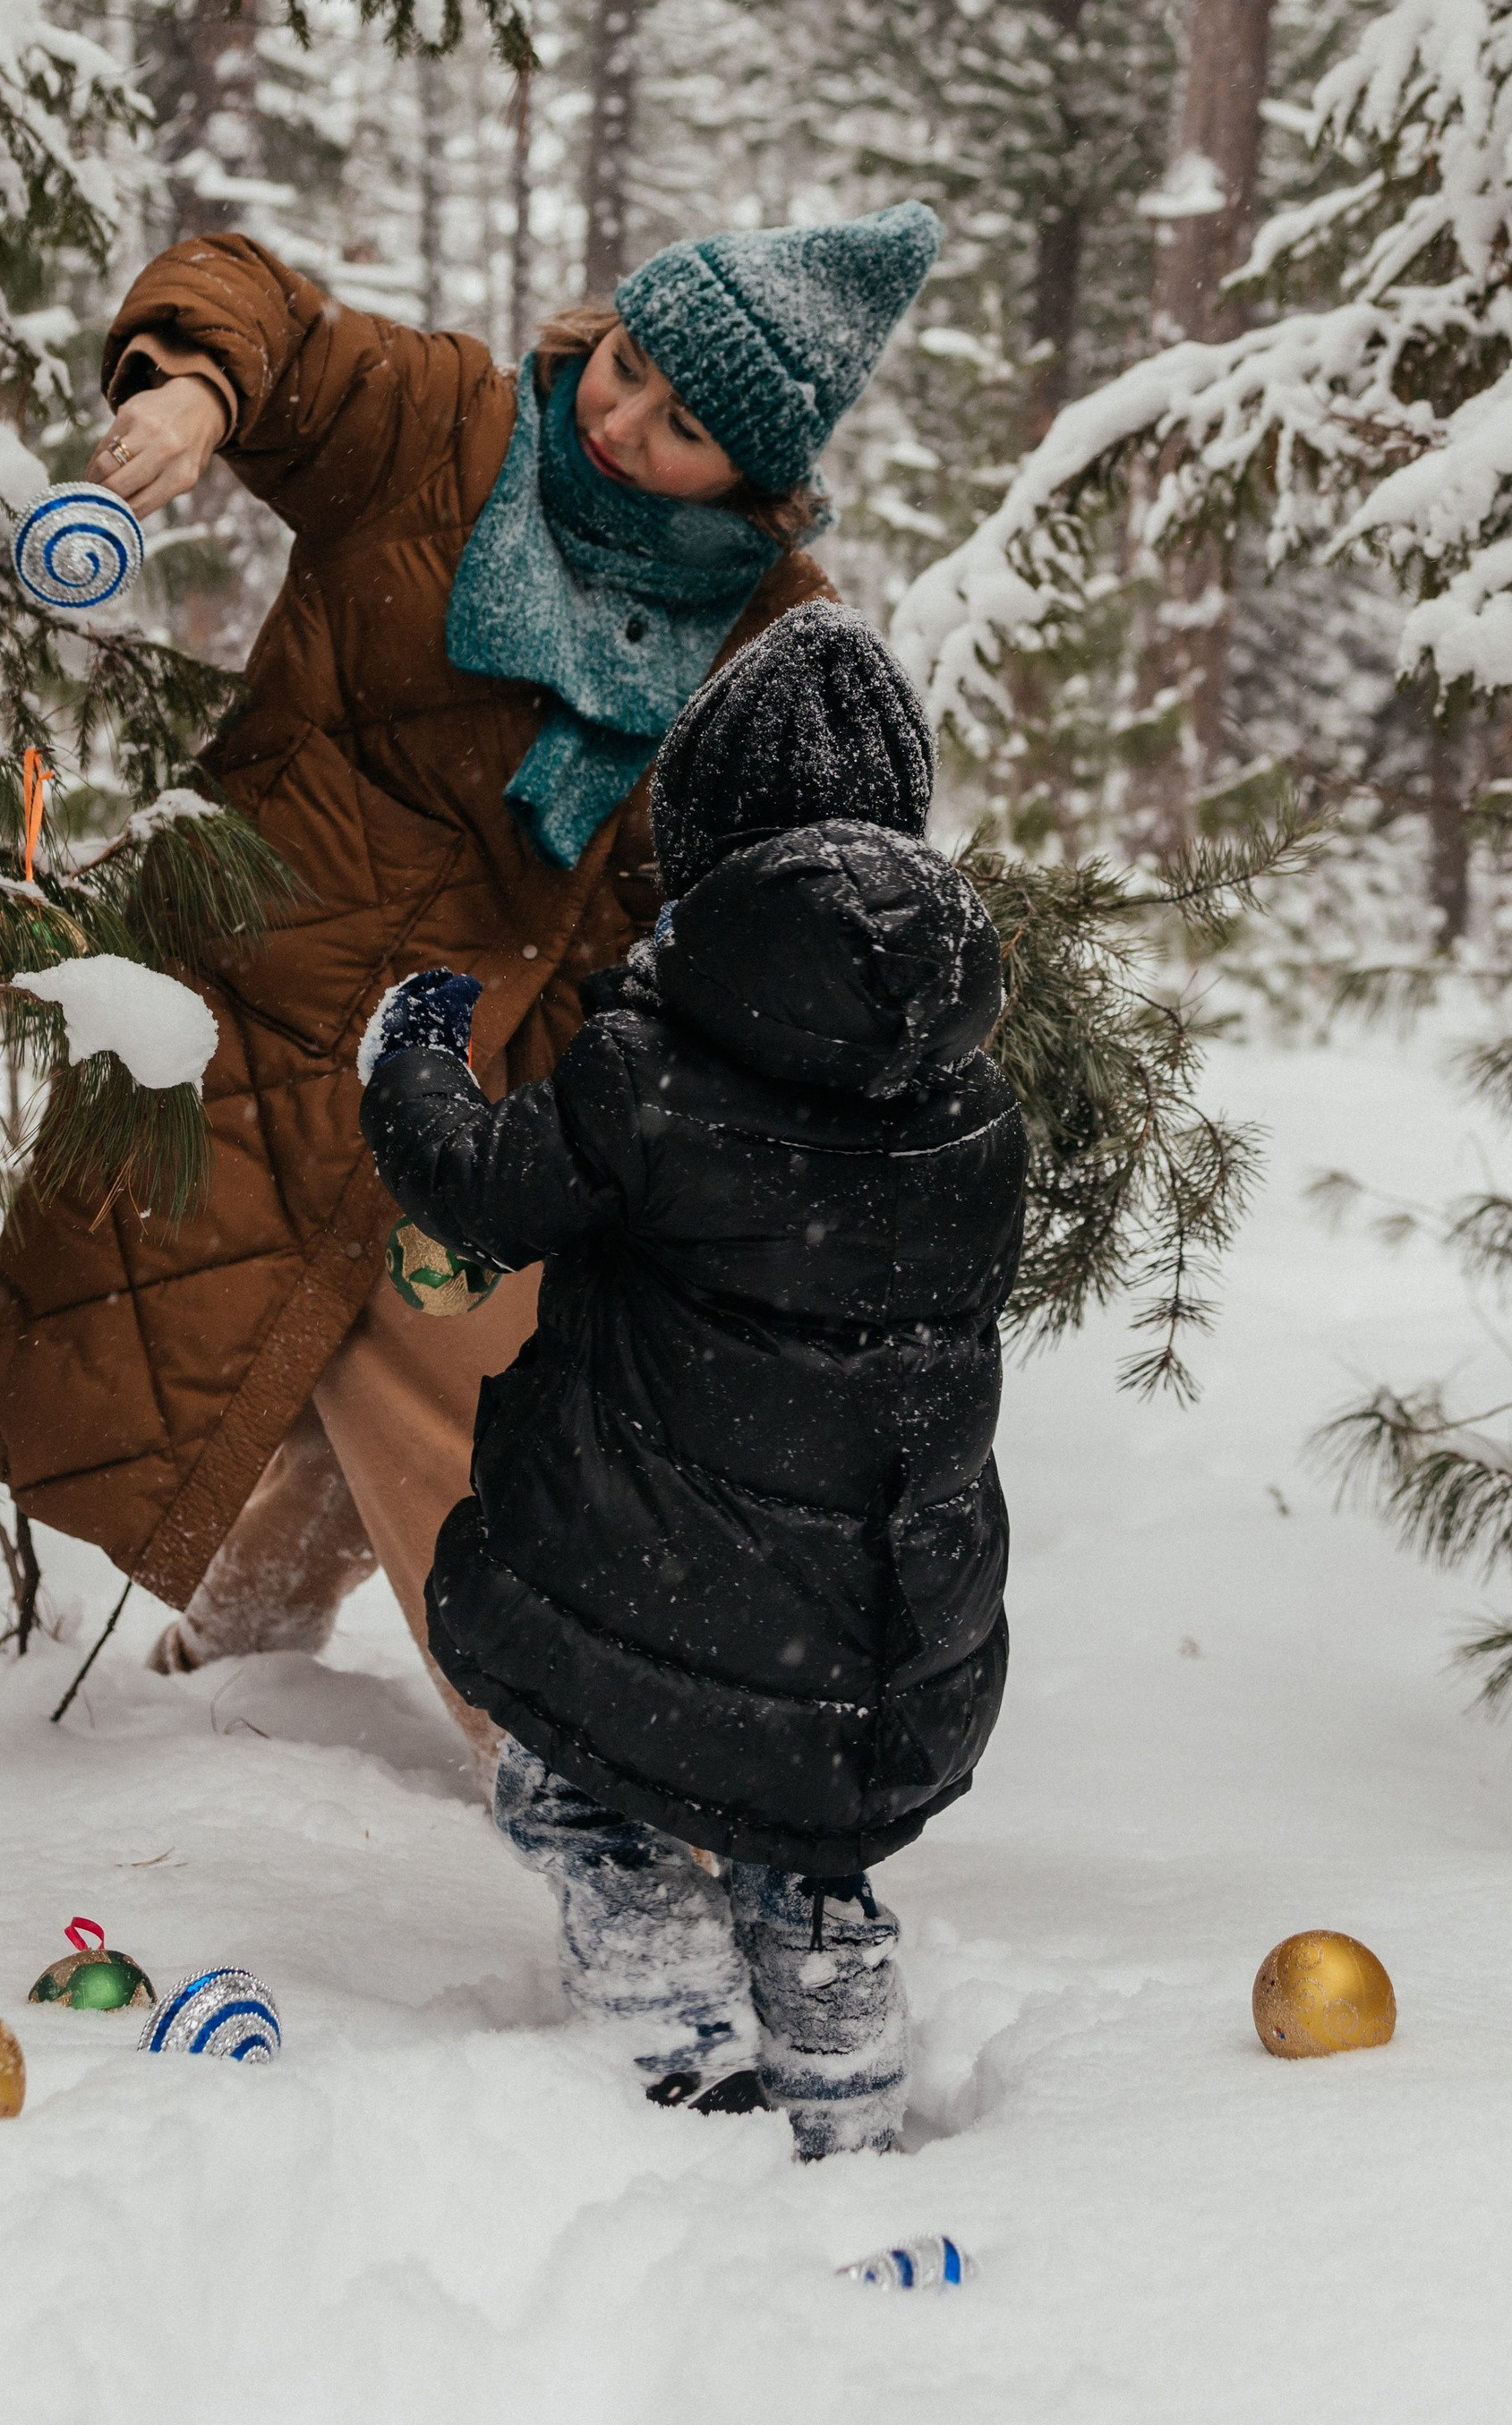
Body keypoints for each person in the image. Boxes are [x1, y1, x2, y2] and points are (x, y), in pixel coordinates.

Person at [0, 207, 944, 1711]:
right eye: (627, 365)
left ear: (763, 476)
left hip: (503, 1093)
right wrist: (198, 387)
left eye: (683, 428)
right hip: (269, 1009)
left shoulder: (772, 631)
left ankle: (465, 1741)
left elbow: (774, 892)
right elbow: (264, 305)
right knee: (396, 1398)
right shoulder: (446, 432)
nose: (622, 422)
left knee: (475, 1423)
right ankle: (531, 1762)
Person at [358, 607, 1026, 2156]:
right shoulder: (968, 1094)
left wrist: (411, 1062)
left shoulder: (650, 1077)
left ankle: (677, 2041)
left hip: (665, 1595)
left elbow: (479, 1185)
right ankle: (843, 2062)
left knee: (579, 1792)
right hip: (887, 1636)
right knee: (807, 1841)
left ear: (707, 845)